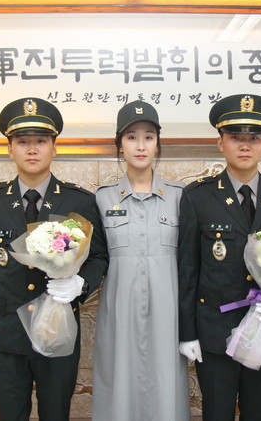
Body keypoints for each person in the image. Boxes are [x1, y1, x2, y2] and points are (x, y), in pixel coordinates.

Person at [0, 97, 108, 421]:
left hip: (57, 331)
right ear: (10, 149)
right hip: (6, 333)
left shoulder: (79, 201)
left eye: (41, 141)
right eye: (22, 142)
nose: (32, 149)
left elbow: (100, 256)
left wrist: (80, 283)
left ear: (54, 148)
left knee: (56, 414)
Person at [177, 94, 261, 421]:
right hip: (214, 332)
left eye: (255, 138)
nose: (245, 146)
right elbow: (187, 270)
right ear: (220, 143)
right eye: (235, 137)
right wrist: (187, 332)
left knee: (259, 414)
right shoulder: (198, 197)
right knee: (216, 414)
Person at [92, 100, 190, 421]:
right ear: (119, 144)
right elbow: (96, 257)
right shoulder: (102, 198)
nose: (141, 145)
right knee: (119, 380)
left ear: (158, 143)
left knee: (165, 381)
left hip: (168, 311)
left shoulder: (180, 196)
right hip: (119, 310)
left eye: (149, 137)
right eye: (131, 137)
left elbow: (190, 260)